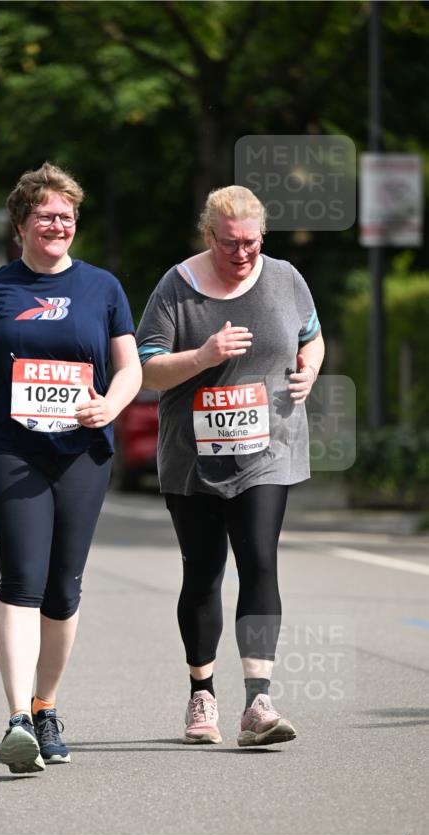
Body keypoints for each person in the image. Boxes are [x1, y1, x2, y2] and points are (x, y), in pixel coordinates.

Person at [0, 162, 141, 774]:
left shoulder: (103, 288)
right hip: (10, 448)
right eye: (46, 216)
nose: (58, 225)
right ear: (21, 224)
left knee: (64, 589)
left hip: (82, 452)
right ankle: (17, 722)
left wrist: (110, 403)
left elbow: (130, 367)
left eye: (67, 217)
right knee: (22, 580)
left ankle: (46, 704)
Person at [136, 185, 324, 747]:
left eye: (251, 241)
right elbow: (148, 369)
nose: (242, 253)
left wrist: (310, 370)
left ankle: (258, 701)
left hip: (268, 449)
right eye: (229, 243)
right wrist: (204, 356)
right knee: (203, 572)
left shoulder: (286, 278)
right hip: (193, 455)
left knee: (259, 560)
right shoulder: (178, 287)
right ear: (208, 236)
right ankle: (202, 692)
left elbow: (312, 339)